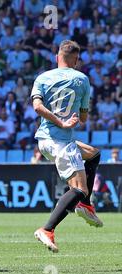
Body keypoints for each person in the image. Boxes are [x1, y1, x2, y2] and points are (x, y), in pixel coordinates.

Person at [31, 40, 103, 253]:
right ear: (76, 59)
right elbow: (82, 118)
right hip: (61, 142)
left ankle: (85, 204)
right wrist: (63, 122)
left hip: (44, 140)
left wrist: (57, 121)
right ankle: (47, 229)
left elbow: (37, 106)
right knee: (79, 188)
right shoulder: (82, 79)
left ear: (57, 57)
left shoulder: (42, 78)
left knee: (93, 154)